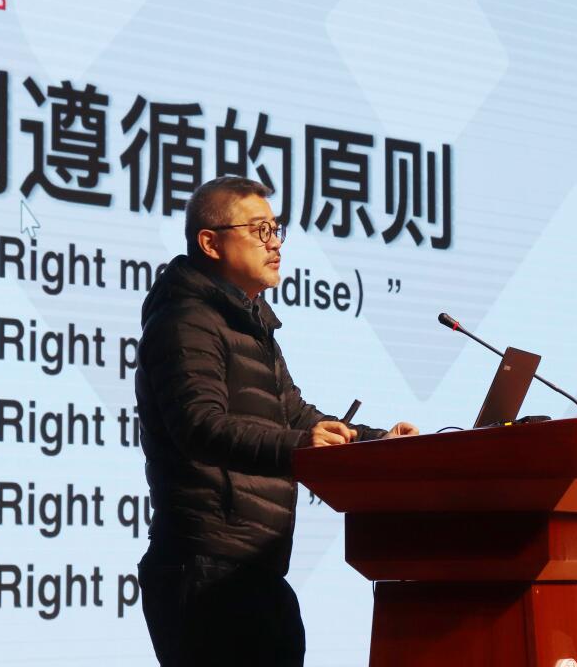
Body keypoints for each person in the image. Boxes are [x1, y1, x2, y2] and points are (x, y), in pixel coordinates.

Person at [134, 175, 418, 666]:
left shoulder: (249, 324)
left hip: (252, 567)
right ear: (210, 243)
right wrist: (299, 446)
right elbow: (200, 426)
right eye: (258, 230)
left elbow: (295, 415)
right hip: (205, 569)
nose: (275, 244)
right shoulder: (186, 321)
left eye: (276, 229)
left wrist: (377, 442)